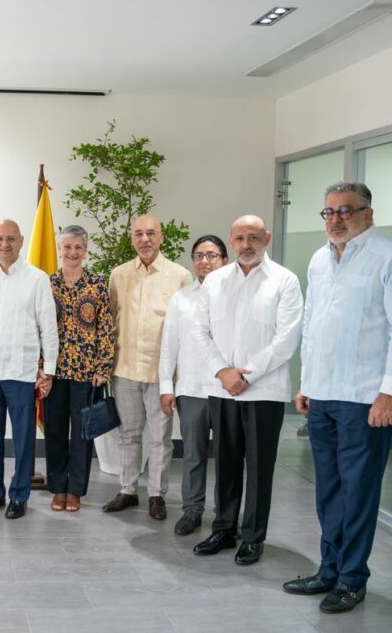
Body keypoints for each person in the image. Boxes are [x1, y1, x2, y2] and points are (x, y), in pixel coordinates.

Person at [285, 182, 392, 613]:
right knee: (328, 489)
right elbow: (312, 325)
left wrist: (390, 393)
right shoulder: (319, 261)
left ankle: (352, 578)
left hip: (365, 398)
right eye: (328, 212)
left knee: (359, 491)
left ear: (369, 213)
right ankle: (328, 569)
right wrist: (307, 381)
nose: (336, 219)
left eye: (346, 210)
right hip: (323, 394)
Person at [192, 215, 302, 566]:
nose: (246, 244)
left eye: (254, 237)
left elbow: (287, 339)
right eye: (239, 238)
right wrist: (224, 372)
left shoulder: (285, 281)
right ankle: (223, 529)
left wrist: (247, 376)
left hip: (264, 392)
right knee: (224, 463)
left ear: (266, 238)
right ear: (231, 240)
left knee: (258, 468)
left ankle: (253, 537)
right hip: (222, 389)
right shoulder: (216, 281)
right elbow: (199, 331)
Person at [0, 219, 58, 520]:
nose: (5, 244)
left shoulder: (38, 279)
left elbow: (48, 328)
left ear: (21, 241)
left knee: (23, 440)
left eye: (11, 239)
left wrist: (50, 371)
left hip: (22, 373)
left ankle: (19, 495)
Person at [103, 215, 191, 520]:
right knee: (128, 435)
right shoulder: (118, 275)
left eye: (151, 233)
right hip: (124, 368)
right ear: (132, 239)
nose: (145, 239)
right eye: (138, 234)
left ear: (161, 237)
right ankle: (127, 489)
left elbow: (186, 329)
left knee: (160, 438)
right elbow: (109, 322)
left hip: (161, 374)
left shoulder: (180, 276)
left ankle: (156, 494)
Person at [158, 235, 228, 536]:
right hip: (191, 388)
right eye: (199, 256)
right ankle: (192, 510)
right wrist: (166, 385)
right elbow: (169, 345)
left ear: (224, 260)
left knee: (227, 457)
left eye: (212, 256)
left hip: (228, 391)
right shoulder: (181, 298)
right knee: (193, 454)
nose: (204, 261)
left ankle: (225, 516)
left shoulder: (234, 295)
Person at [44, 225, 114, 513]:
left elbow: (106, 328)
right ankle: (58, 487)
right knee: (55, 432)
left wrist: (103, 366)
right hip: (54, 370)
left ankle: (76, 491)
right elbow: (38, 328)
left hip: (87, 372)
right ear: (60, 250)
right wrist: (40, 368)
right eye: (67, 247)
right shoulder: (47, 284)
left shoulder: (97, 284)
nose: (72, 252)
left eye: (78, 247)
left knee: (82, 434)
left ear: (85, 251)